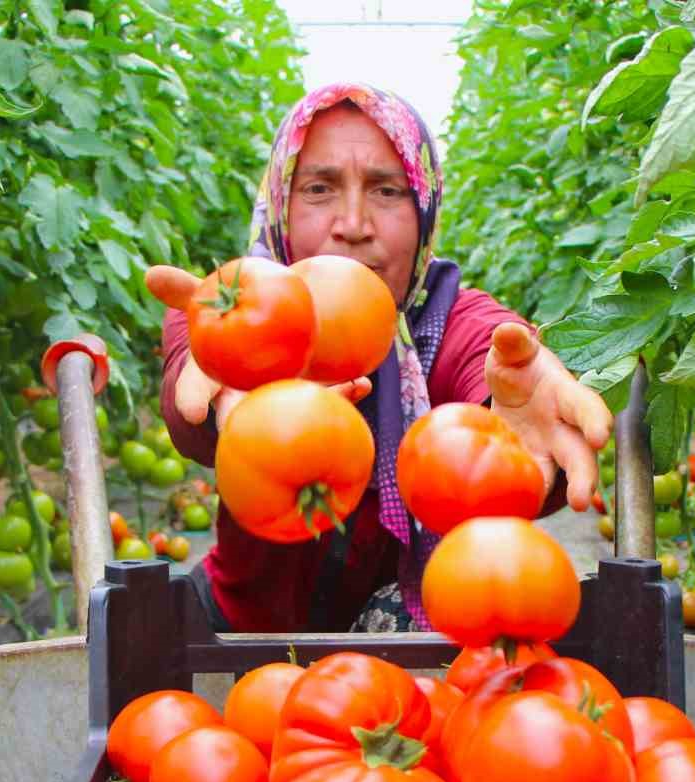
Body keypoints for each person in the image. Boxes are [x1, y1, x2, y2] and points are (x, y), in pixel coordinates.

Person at [144, 82, 611, 633]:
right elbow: (192, 407)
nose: (354, 224)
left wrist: (511, 432)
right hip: (243, 635)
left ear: (424, 211)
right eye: (319, 188)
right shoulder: (227, 312)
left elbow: (498, 358)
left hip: (413, 656)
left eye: (387, 191)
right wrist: (232, 373)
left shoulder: (448, 317)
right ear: (281, 209)